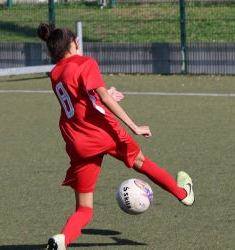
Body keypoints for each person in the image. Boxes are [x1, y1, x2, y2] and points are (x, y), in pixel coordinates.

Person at [37, 23, 194, 250]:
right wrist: (134, 126)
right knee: (141, 162)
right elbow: (104, 99)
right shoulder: (86, 63)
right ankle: (183, 194)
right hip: (102, 132)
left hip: (77, 141)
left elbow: (79, 99)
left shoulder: (55, 73)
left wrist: (102, 96)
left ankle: (61, 240)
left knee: (84, 209)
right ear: (72, 43)